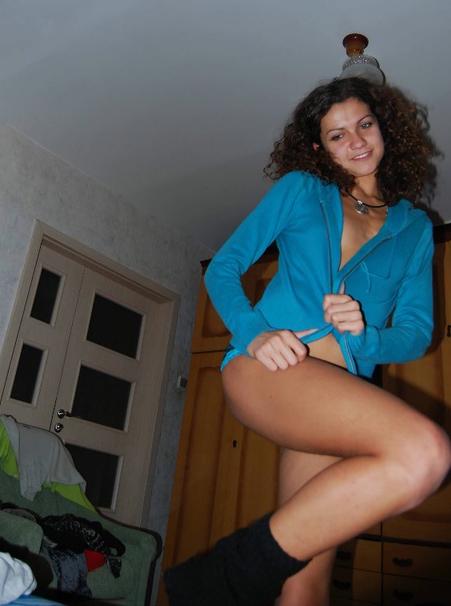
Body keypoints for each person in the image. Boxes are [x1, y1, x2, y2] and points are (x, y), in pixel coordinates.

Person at [164, 75, 451, 606]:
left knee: (307, 587)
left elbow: (416, 335)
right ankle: (222, 575)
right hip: (268, 370)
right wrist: (253, 334)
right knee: (424, 453)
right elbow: (223, 267)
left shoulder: (415, 230)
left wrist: (367, 335)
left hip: (337, 397)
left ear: (384, 129)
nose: (356, 141)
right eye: (337, 135)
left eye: (365, 124)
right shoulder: (302, 189)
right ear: (319, 148)